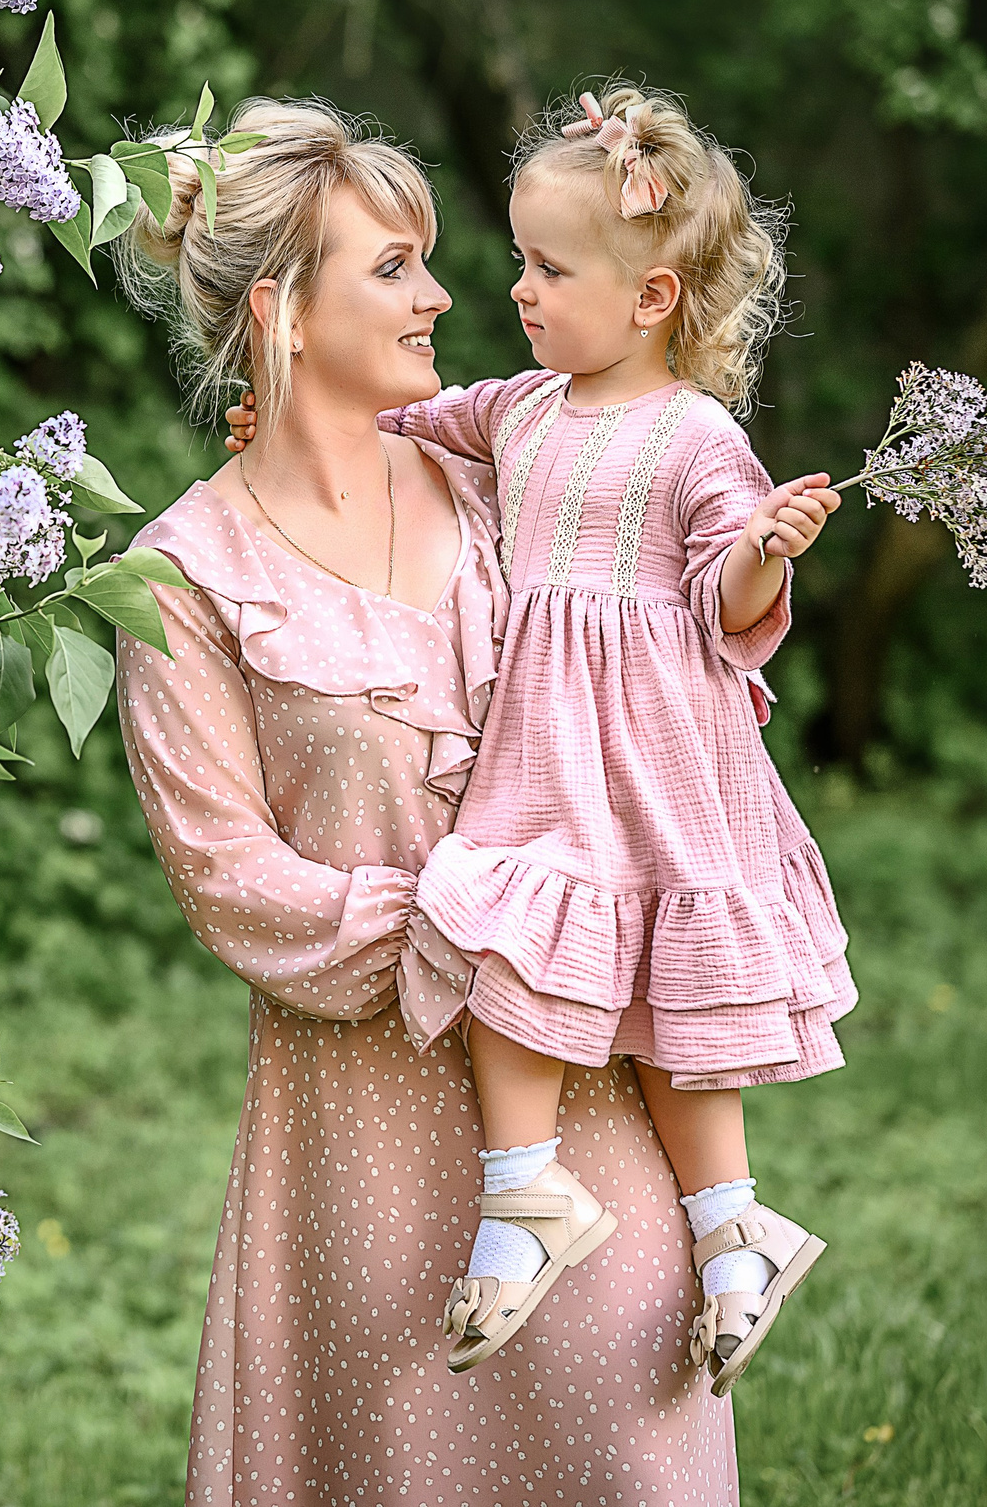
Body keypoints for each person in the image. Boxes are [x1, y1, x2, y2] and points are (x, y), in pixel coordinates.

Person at [119, 98, 736, 1504]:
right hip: (357, 1144)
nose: (444, 293)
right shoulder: (181, 575)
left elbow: (664, 675)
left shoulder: (503, 476)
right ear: (281, 308)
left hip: (590, 1085)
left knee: (641, 1445)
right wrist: (478, 919)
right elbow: (233, 881)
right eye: (393, 266)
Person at [227, 83, 855, 1393]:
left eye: (548, 267)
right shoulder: (517, 411)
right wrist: (279, 420)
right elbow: (390, 426)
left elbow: (726, 606)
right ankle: (525, 1193)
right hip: (548, 762)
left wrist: (758, 551)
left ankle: (733, 1228)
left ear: (652, 302)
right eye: (518, 258)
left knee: (679, 1009)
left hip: (660, 761)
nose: (514, 287)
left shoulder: (696, 438)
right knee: (507, 945)